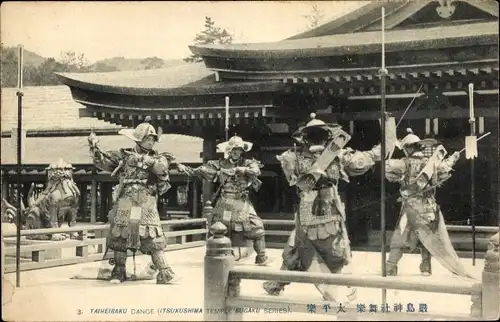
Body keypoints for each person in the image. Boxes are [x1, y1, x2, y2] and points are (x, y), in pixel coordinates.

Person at [263, 113, 382, 299]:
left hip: (327, 208)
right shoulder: (297, 157)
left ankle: (338, 287)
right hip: (314, 209)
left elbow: (362, 160)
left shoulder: (331, 155)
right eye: (315, 134)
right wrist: (380, 148)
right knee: (304, 248)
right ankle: (279, 283)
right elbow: (365, 158)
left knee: (325, 249)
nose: (317, 137)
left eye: (319, 134)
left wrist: (378, 151)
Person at [87, 117, 191, 284]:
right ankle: (119, 271)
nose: (151, 142)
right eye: (148, 139)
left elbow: (161, 168)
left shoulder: (159, 156)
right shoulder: (122, 155)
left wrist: (142, 160)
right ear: (138, 139)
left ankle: (165, 272)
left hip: (146, 200)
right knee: (120, 234)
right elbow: (102, 162)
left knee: (152, 234)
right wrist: (94, 147)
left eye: (153, 139)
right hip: (126, 199)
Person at [385, 128, 474, 278]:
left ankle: (391, 266)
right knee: (427, 237)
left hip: (411, 207)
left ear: (409, 148)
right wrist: (454, 158)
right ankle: (426, 267)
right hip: (429, 207)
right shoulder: (431, 163)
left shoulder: (404, 163)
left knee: (400, 235)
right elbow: (445, 168)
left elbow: (388, 170)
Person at [185, 135, 271, 266]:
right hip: (225, 201)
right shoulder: (220, 164)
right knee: (221, 227)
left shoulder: (247, 163)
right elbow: (205, 171)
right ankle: (221, 252)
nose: (237, 152)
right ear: (229, 151)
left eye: (239, 150)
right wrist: (193, 170)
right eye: (234, 150)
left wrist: (238, 169)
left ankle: (262, 256)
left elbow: (256, 171)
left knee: (257, 227)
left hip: (241, 200)